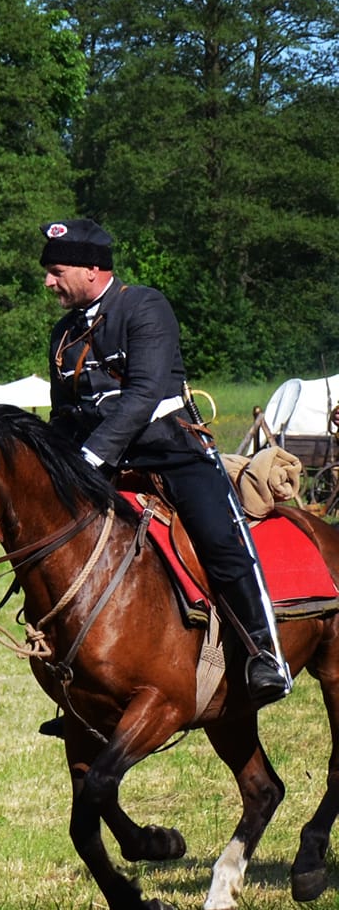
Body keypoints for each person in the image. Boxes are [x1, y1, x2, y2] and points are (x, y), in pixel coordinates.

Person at [41, 217, 290, 709]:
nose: (49, 282)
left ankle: (265, 653)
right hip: (99, 463)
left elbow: (141, 396)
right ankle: (78, 683)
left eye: (57, 271)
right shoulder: (63, 333)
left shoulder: (144, 306)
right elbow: (63, 412)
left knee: (223, 541)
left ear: (93, 269)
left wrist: (89, 459)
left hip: (168, 452)